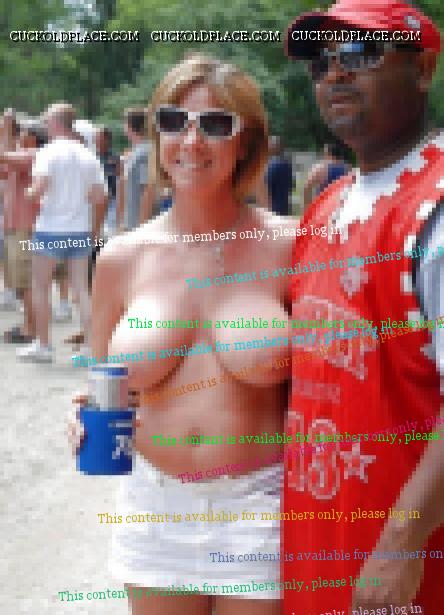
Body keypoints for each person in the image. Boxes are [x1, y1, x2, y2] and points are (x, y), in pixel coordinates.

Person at [70, 53, 295, 615]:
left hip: (260, 508)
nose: (191, 141)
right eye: (174, 121)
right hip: (154, 508)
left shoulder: (291, 246)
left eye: (216, 124)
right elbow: (104, 383)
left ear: (245, 141)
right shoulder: (120, 258)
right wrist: (81, 413)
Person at [284, 1, 443, 613]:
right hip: (317, 552)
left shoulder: (434, 208)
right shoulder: (324, 207)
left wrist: (402, 543)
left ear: (422, 69)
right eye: (320, 61)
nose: (335, 72)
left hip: (405, 572)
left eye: (360, 52)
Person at [18, 102, 108, 363]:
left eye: (47, 121)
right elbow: (99, 196)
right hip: (79, 230)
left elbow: (38, 188)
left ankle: (44, 346)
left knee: (40, 287)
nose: (45, 126)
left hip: (50, 229)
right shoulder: (87, 155)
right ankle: (91, 347)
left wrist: (29, 192)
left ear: (56, 123)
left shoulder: (47, 153)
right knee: (82, 289)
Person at [0, 117, 46, 344]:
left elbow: (3, 156)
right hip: (15, 226)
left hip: (25, 227)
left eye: (23, 132)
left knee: (27, 282)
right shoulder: (20, 156)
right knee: (20, 283)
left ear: (33, 138)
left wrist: (6, 129)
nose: (20, 136)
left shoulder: (34, 155)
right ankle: (29, 324)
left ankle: (32, 330)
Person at [117, 108, 155, 231]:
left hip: (139, 225)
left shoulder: (144, 153)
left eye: (124, 123)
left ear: (129, 127)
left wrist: (142, 228)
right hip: (131, 222)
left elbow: (148, 189)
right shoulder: (135, 152)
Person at [303, 141, 348, 206]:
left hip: (325, 207)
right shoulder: (348, 169)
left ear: (328, 154)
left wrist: (308, 206)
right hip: (342, 206)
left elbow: (307, 188)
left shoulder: (321, 168)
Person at [263, 136, 293, 215]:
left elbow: (265, 188)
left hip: (270, 209)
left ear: (273, 148)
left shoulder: (269, 165)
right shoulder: (287, 165)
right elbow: (291, 187)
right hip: (284, 208)